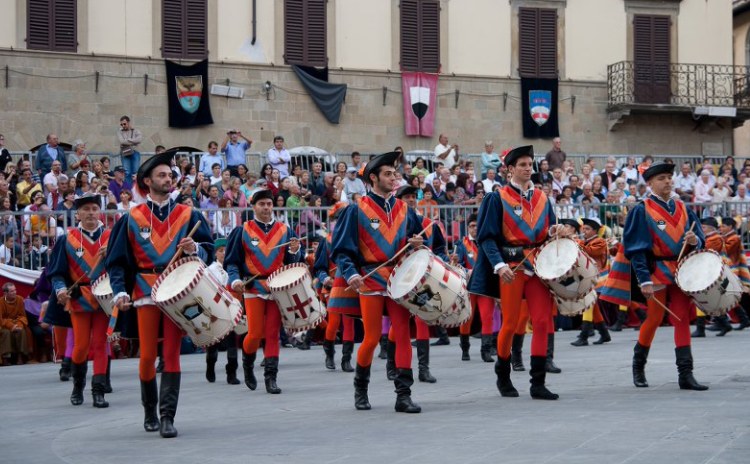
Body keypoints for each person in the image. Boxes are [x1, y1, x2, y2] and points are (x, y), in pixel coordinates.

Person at [105, 151, 214, 438]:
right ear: (147, 181)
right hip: (144, 290)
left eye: (171, 175)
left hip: (178, 290)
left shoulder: (188, 214)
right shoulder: (131, 217)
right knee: (147, 355)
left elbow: (210, 249)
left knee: (171, 354)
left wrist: (196, 250)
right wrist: (119, 292)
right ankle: (149, 411)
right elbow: (116, 262)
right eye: (162, 175)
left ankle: (168, 416)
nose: (168, 179)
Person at [468, 145, 568, 400]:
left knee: (543, 321)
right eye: (522, 164)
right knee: (511, 323)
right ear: (510, 169)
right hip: (511, 266)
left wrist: (555, 232)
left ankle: (538, 383)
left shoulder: (543, 198)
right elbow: (486, 238)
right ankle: (503, 372)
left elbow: (547, 230)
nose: (527, 168)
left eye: (530, 163)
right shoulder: (497, 197)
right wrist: (499, 266)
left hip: (538, 265)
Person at [331, 151, 425, 413]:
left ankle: (403, 395)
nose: (393, 177)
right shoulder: (355, 209)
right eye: (387, 174)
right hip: (370, 281)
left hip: (399, 280)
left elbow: (418, 239)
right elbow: (342, 250)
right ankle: (360, 389)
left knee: (404, 335)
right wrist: (351, 273)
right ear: (373, 178)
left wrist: (416, 242)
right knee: (371, 338)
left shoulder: (405, 209)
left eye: (395, 173)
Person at [623, 162, 708, 391]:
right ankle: (638, 365)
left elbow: (700, 238)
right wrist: (644, 280)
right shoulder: (641, 210)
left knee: (681, 318)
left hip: (681, 271)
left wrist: (694, 241)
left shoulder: (683, 207)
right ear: (650, 183)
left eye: (669, 177)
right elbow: (637, 249)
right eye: (661, 178)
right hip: (656, 271)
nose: (668, 181)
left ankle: (685, 373)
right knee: (653, 318)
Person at [225, 189, 302, 395]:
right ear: (253, 207)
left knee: (272, 334)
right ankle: (248, 364)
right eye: (262, 204)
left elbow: (293, 263)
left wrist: (295, 251)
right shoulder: (242, 231)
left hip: (277, 288)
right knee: (255, 333)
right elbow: (232, 262)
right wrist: (234, 280)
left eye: (269, 204)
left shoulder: (285, 230)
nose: (266, 207)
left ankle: (271, 377)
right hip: (253, 288)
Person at [46, 194, 111, 407]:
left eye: (94, 208)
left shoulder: (111, 237)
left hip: (104, 299)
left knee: (101, 345)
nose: (91, 212)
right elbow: (56, 273)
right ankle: (77, 387)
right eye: (86, 209)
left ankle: (99, 391)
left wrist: (110, 255)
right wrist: (61, 290)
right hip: (78, 299)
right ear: (78, 214)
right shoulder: (67, 239)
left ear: (99, 212)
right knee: (81, 345)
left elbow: (123, 266)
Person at [394, 184, 448, 383]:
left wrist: (443, 261)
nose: (410, 200)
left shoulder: (429, 224)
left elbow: (441, 249)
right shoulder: (394, 225)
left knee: (422, 319)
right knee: (398, 324)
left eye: (412, 196)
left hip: (424, 278)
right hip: (401, 277)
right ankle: (394, 365)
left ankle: (423, 369)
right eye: (405, 197)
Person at [313, 202, 356, 372]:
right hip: (333, 285)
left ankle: (347, 359)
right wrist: (325, 279)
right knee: (334, 321)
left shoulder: (356, 239)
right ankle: (329, 352)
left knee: (350, 321)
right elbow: (319, 267)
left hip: (351, 283)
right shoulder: (327, 241)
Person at [454, 213, 497, 362]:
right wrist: (465, 269)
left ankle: (486, 351)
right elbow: (458, 264)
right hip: (469, 285)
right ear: (467, 228)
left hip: (485, 285)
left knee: (487, 317)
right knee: (466, 318)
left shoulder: (488, 242)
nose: (475, 228)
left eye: (477, 225)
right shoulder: (462, 244)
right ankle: (465, 348)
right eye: (472, 226)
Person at [204, 238, 242, 385]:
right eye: (221, 251)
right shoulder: (210, 270)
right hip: (215, 310)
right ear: (215, 253)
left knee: (232, 342)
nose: (224, 253)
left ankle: (231, 373)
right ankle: (210, 365)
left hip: (230, 310)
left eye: (226, 250)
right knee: (213, 343)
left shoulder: (234, 268)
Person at [569, 218, 612, 346]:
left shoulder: (600, 241)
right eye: (584, 229)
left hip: (596, 278)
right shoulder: (585, 241)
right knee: (593, 307)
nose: (584, 231)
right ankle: (604, 334)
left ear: (595, 231)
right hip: (587, 277)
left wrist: (576, 242)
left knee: (588, 304)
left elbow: (591, 251)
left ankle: (584, 336)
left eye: (587, 229)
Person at [0, 283, 30, 365]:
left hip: (17, 323)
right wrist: (11, 326)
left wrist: (18, 325)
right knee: (6, 333)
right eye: (12, 291)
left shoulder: (20, 299)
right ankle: (6, 358)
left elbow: (23, 316)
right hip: (5, 326)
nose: (15, 292)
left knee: (21, 331)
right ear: (5, 293)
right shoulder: (1, 302)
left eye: (15, 290)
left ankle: (20, 356)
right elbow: (1, 319)